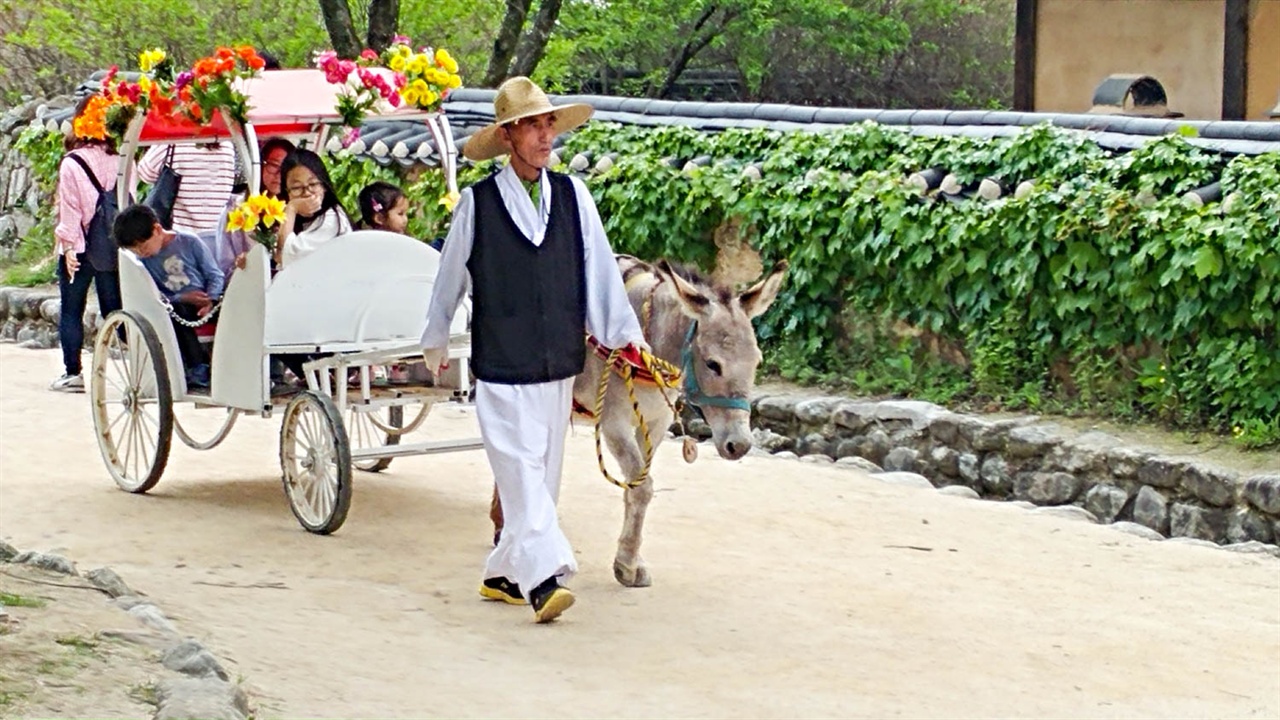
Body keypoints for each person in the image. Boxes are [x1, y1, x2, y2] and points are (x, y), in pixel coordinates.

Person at [420, 77, 647, 623]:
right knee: (520, 473)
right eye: (534, 125)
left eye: (549, 123)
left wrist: (624, 335)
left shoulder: (574, 196)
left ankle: (502, 574)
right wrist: (435, 340)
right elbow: (449, 277)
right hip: (500, 363)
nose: (546, 135)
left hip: (555, 362)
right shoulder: (477, 204)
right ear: (508, 136)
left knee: (541, 475)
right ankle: (545, 580)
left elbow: (598, 272)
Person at [50, 94, 133, 392]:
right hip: (112, 247)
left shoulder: (72, 163)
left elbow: (70, 210)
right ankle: (139, 367)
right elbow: (128, 200)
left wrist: (69, 249)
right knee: (117, 310)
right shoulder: (121, 159)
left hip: (80, 248)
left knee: (72, 309)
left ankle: (73, 373)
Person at [113, 204, 225, 389]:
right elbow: (153, 295)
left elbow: (215, 274)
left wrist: (211, 300)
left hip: (208, 302)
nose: (141, 252)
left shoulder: (189, 242)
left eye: (143, 246)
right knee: (175, 313)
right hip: (175, 306)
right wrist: (182, 298)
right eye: (135, 250)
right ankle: (197, 367)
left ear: (157, 229)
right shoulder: (142, 262)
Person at [216, 137, 296, 276]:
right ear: (260, 165)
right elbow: (225, 265)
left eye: (285, 168)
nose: (278, 175)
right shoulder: (236, 208)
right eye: (273, 165)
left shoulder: (295, 209)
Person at [136, 141, 237, 235]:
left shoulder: (175, 142)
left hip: (182, 235)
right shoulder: (227, 144)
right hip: (217, 235)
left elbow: (145, 173)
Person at [274, 149, 351, 267]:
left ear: (324, 186)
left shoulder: (333, 218)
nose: (307, 193)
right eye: (296, 187)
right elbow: (275, 255)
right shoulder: (294, 221)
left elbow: (285, 255)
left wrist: (292, 208)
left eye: (313, 184)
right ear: (287, 192)